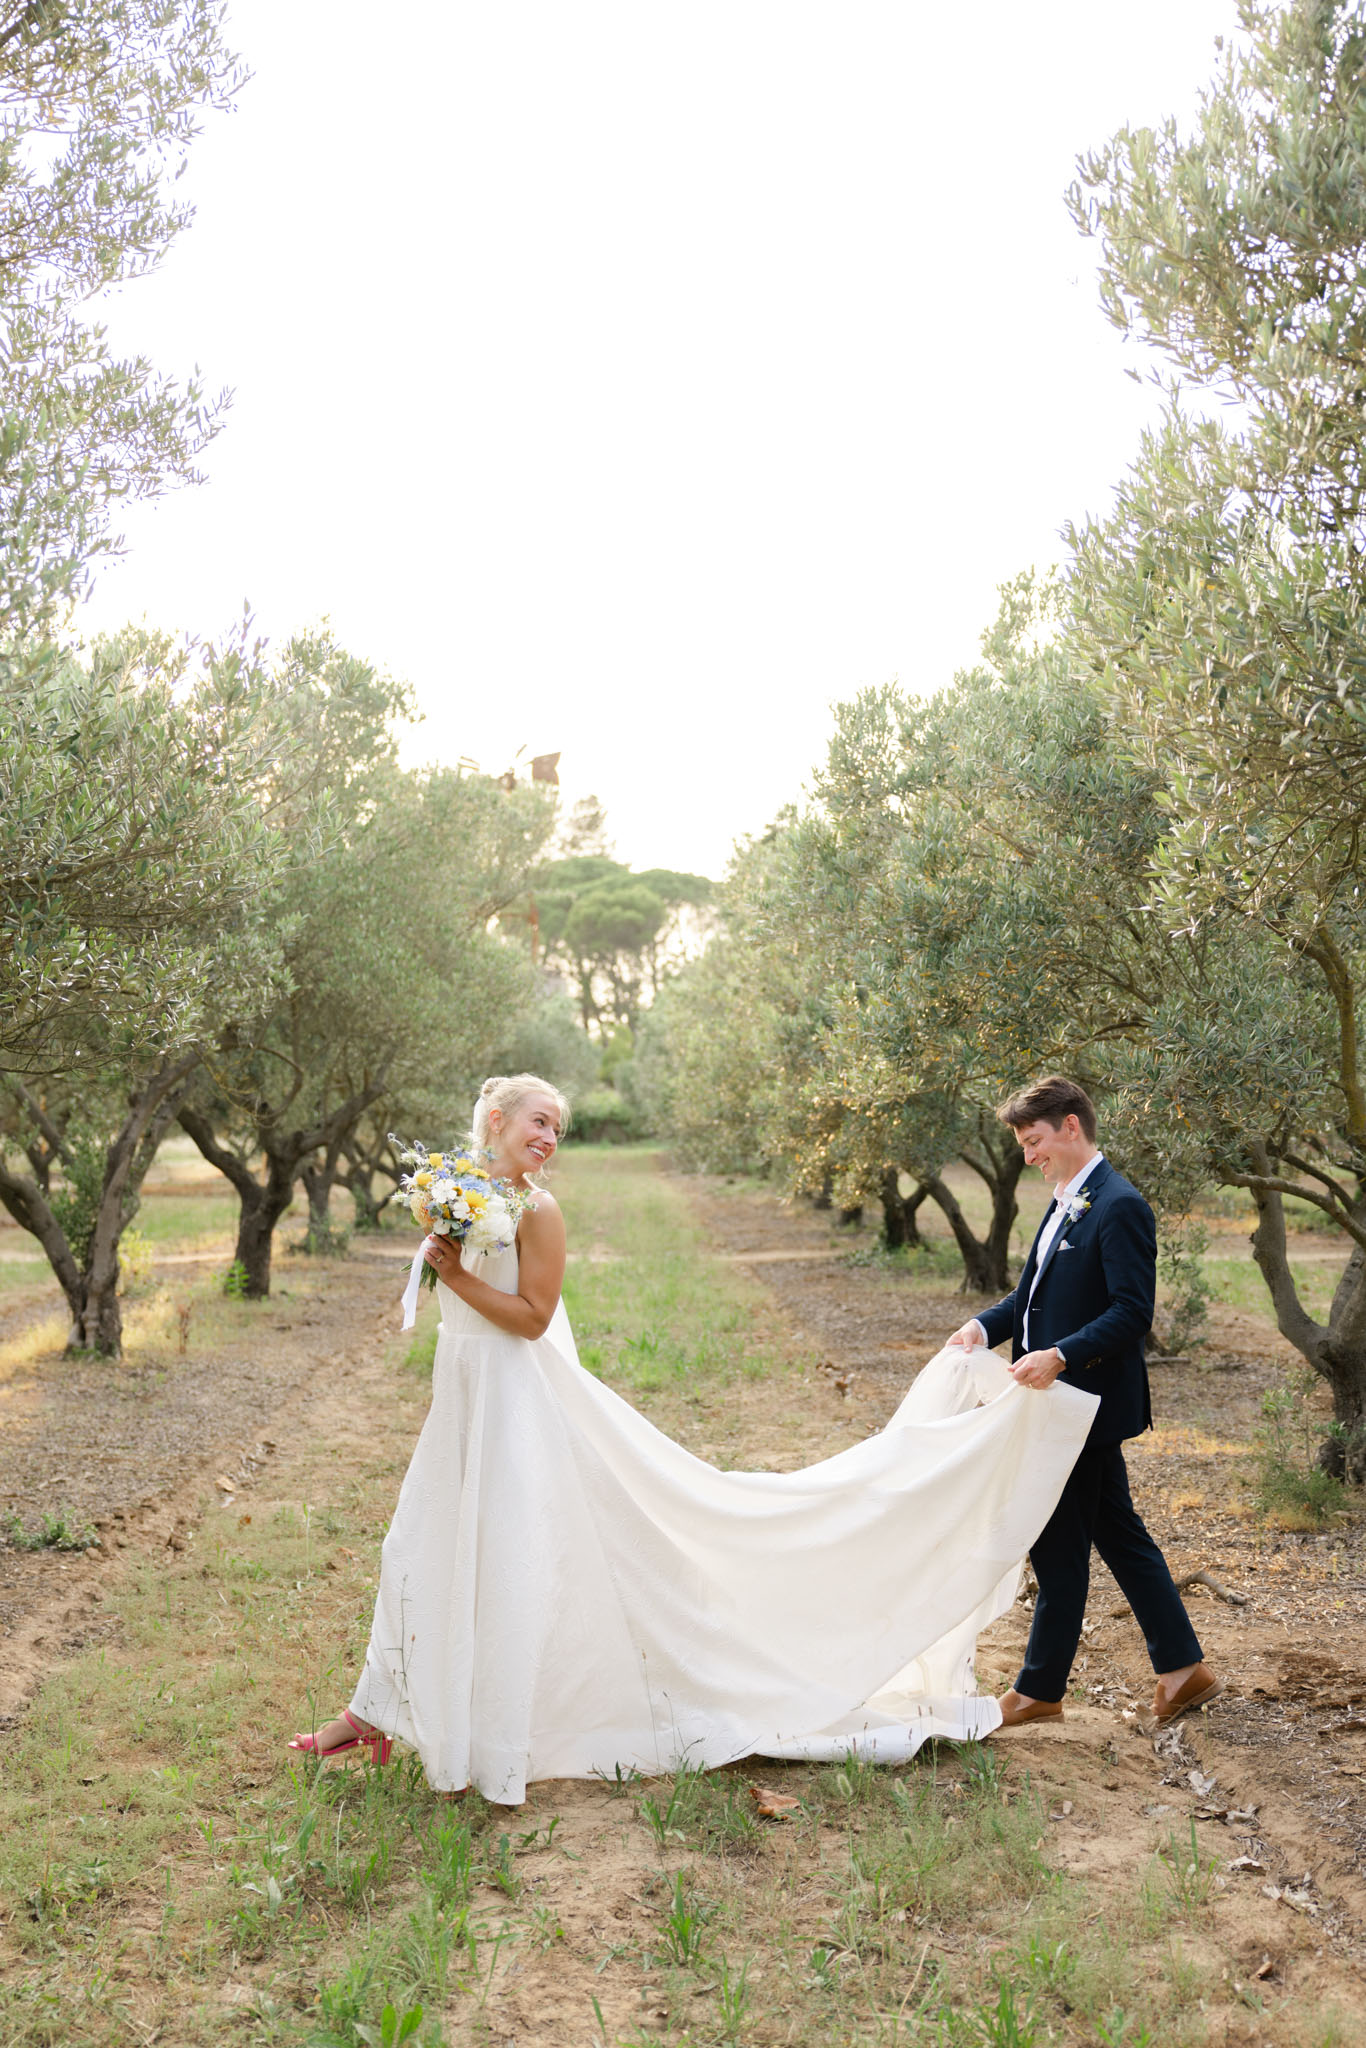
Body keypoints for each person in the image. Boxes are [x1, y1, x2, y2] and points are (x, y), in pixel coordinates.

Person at [290, 1073, 1100, 1802]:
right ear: (495, 1119)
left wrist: (457, 1275)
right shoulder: (456, 1194)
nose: (548, 1139)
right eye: (538, 1123)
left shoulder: (537, 1209)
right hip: (461, 1400)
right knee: (421, 1548)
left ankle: (491, 1731)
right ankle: (376, 1712)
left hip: (516, 1405)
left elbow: (533, 1321)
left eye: (558, 1130)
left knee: (509, 1562)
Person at [948, 1075, 1221, 1730]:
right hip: (1058, 1406)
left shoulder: (1119, 1205)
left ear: (1072, 1127)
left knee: (1060, 1542)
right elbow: (1032, 1298)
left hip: (1086, 1405)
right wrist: (982, 1329)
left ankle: (1042, 1689)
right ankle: (1182, 1670)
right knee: (1113, 1534)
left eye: (1034, 1140)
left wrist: (1061, 1355)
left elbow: (1133, 1312)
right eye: (1021, 1144)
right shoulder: (1064, 1200)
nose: (1028, 1156)